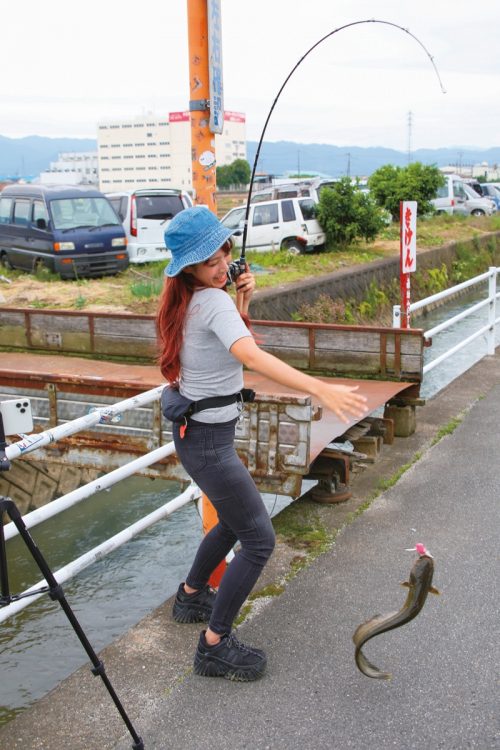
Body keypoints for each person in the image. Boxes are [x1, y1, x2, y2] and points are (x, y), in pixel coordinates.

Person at [157, 206, 367, 682]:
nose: (220, 264)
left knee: (235, 523)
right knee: (259, 538)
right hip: (209, 442)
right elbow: (248, 355)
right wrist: (319, 387)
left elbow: (223, 351)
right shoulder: (212, 301)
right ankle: (214, 644)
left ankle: (191, 596)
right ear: (187, 267)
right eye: (208, 259)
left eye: (223, 251)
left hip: (199, 437)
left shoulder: (194, 296)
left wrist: (244, 305)